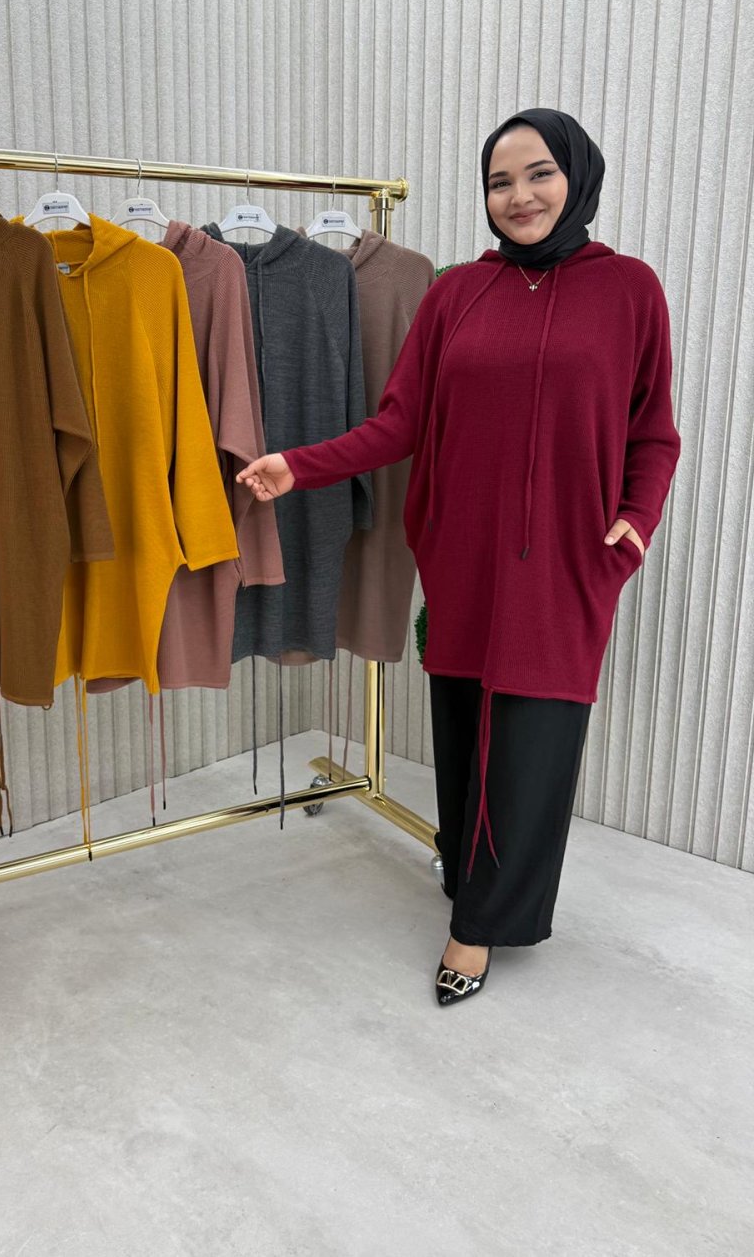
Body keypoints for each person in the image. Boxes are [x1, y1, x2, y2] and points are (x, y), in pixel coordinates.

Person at [236, 108, 681, 1006]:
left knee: (533, 742)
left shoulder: (630, 290)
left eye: (539, 173)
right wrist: (301, 463)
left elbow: (654, 432)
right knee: (467, 731)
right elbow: (399, 422)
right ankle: (468, 871)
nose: (519, 196)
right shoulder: (457, 294)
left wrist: (633, 526)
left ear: (578, 177)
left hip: (566, 564)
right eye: (499, 182)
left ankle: (479, 922)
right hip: (464, 555)